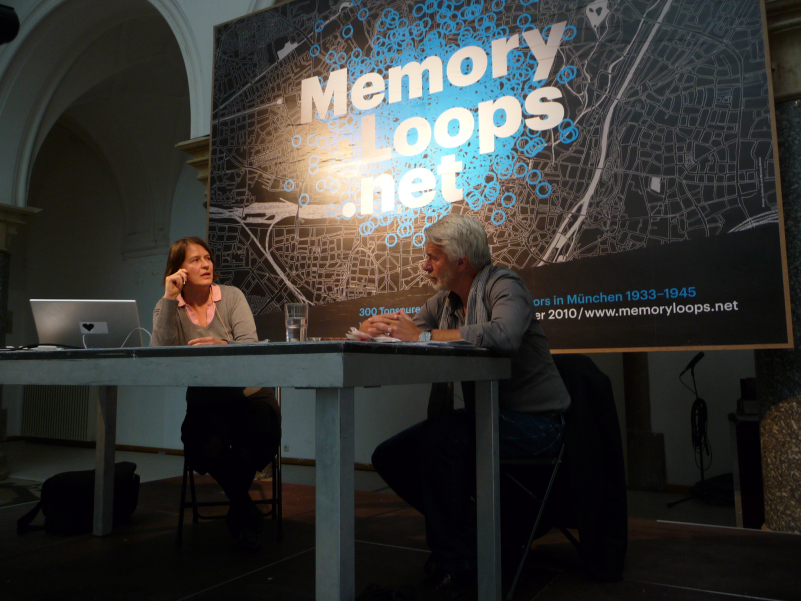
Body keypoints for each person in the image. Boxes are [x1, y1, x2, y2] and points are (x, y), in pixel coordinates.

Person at [360, 215, 570, 599]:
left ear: (461, 261)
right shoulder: (446, 301)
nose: (425, 266)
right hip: (489, 418)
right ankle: (472, 539)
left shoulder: (504, 284)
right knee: (390, 456)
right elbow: (407, 326)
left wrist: (422, 335)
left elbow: (504, 334)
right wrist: (378, 326)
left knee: (441, 440)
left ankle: (458, 570)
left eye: (432, 258)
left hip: (537, 426)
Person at [151, 236, 281, 551]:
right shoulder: (168, 306)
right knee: (200, 442)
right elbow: (159, 354)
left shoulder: (232, 296)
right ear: (177, 269)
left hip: (248, 396)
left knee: (259, 431)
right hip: (205, 402)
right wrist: (169, 299)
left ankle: (239, 509)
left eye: (207, 258)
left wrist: (223, 345)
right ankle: (244, 507)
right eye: (195, 259)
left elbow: (250, 345)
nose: (206, 264)